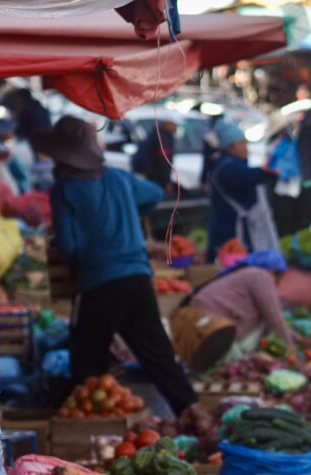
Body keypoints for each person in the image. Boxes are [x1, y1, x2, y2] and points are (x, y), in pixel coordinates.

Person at [34, 116, 197, 417]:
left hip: (99, 283)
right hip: (138, 279)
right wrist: (129, 213)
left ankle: (92, 431)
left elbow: (69, 247)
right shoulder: (120, 178)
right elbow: (155, 194)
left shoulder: (64, 190)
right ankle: (194, 413)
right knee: (159, 355)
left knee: (87, 360)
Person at [187, 249, 296, 360]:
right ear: (274, 271)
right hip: (211, 330)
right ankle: (242, 357)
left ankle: (241, 356)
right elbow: (273, 316)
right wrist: (292, 350)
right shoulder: (261, 275)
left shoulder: (246, 274)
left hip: (201, 328)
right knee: (264, 322)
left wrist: (293, 336)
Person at [205, 121, 278, 264]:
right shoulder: (228, 167)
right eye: (242, 143)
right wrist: (272, 170)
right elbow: (252, 176)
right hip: (230, 228)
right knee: (233, 263)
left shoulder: (226, 163)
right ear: (230, 146)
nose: (246, 147)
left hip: (226, 224)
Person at [134, 116, 177, 194]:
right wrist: (166, 180)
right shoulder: (163, 138)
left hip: (150, 173)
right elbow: (164, 160)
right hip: (157, 175)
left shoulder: (156, 134)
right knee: (157, 195)